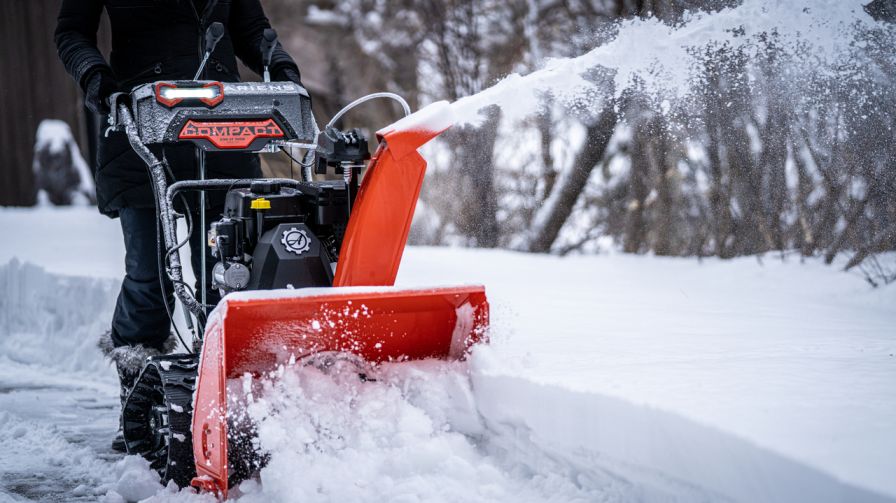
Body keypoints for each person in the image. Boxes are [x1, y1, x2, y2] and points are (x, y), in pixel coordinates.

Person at [54, 0, 307, 452]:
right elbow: (72, 33)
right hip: (141, 121)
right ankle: (137, 399)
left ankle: (228, 399)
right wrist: (98, 80)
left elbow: (251, 27)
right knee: (151, 279)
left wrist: (279, 65)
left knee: (229, 268)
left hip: (222, 124)